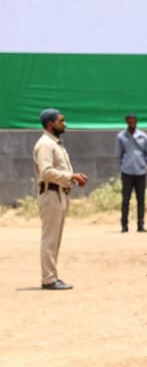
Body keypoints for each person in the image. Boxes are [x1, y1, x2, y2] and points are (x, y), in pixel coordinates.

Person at [33, 108, 88, 290]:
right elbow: (46, 172)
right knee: (50, 239)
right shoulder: (45, 145)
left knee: (55, 239)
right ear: (50, 124)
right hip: (50, 194)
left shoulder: (55, 144)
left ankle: (52, 276)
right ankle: (48, 279)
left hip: (59, 194)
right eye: (61, 121)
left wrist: (71, 179)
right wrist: (70, 176)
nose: (64, 124)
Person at [115, 113, 147, 234]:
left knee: (141, 199)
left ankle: (140, 225)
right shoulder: (121, 136)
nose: (131, 123)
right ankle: (124, 225)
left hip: (141, 171)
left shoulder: (143, 136)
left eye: (133, 121)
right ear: (126, 122)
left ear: (136, 122)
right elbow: (118, 154)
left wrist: (145, 165)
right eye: (129, 121)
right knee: (126, 199)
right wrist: (124, 165)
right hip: (127, 171)